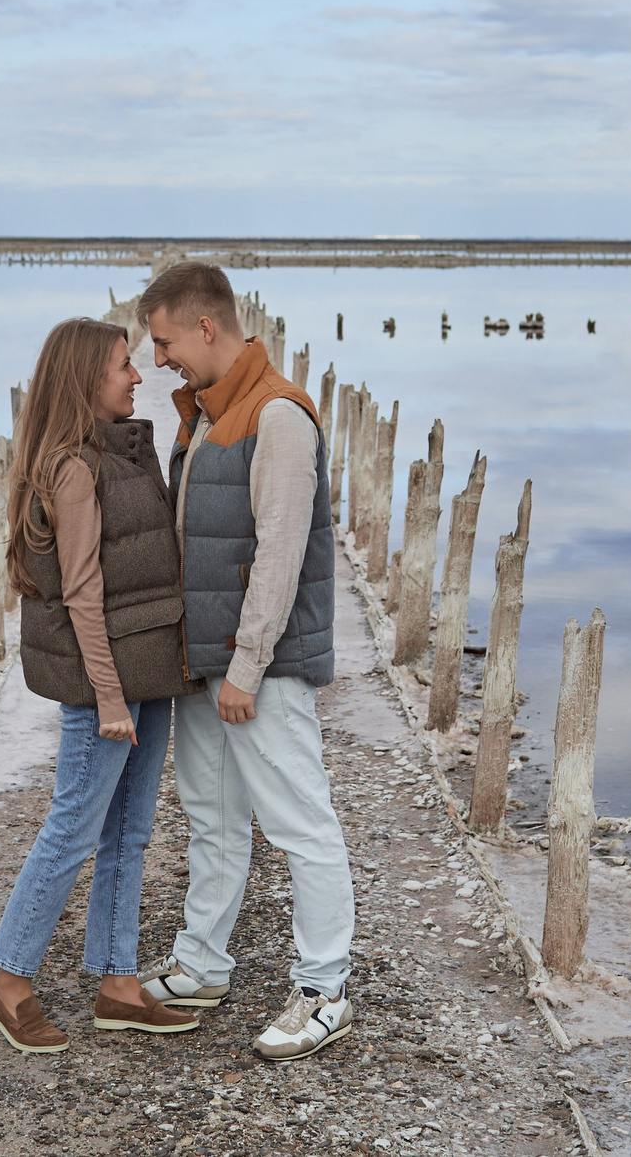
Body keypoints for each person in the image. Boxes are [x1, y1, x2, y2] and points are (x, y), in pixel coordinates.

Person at [131, 262, 358, 1062]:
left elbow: (281, 554)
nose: (158, 360)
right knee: (213, 821)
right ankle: (202, 965)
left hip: (257, 668)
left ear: (204, 326)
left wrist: (246, 667)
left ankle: (324, 989)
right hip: (205, 662)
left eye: (162, 342)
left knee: (301, 822)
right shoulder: (204, 413)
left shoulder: (279, 416)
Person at [0, 317, 203, 1054]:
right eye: (122, 367)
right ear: (85, 380)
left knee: (130, 833)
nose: (138, 376)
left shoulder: (121, 451)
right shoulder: (73, 469)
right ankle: (8, 980)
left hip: (147, 673)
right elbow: (81, 593)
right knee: (73, 829)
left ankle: (117, 983)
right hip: (106, 684)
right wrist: (109, 698)